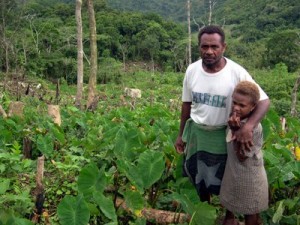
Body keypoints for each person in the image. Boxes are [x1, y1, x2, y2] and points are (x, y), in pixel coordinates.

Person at [174, 25, 270, 204]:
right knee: (199, 174)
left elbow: (264, 101)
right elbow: (186, 104)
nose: (209, 51)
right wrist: (181, 135)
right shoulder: (192, 70)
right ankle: (205, 206)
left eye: (214, 47)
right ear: (199, 47)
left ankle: (229, 214)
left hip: (223, 134)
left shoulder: (236, 72)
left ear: (223, 47)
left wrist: (248, 127)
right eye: (204, 47)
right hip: (198, 133)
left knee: (227, 176)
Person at [220, 81, 269, 225]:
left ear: (253, 107)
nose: (236, 108)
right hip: (233, 171)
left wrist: (235, 130)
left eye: (242, 106)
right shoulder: (234, 119)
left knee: (250, 214)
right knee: (230, 208)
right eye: (234, 102)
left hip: (250, 177)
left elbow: (241, 156)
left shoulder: (252, 128)